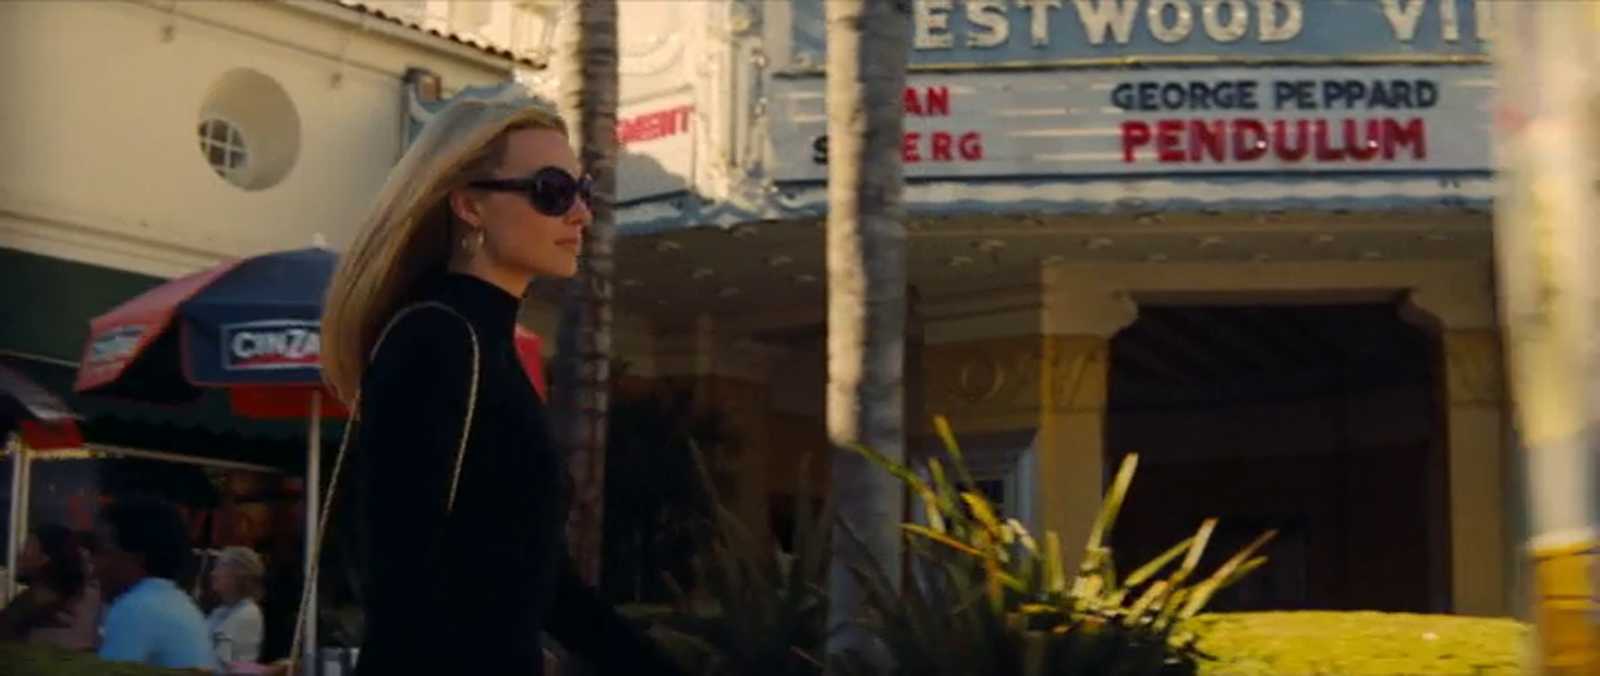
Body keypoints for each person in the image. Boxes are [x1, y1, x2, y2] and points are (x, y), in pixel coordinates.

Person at [320, 99, 687, 675]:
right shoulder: (436, 339)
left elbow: (546, 585)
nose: (580, 215)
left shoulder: (490, 351)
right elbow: (399, 575)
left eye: (583, 191)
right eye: (551, 190)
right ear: (469, 205)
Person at [91, 496, 217, 671]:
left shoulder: (134, 608)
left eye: (100, 550)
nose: (93, 562)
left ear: (136, 558)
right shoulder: (175, 601)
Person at [0, 523, 101, 650]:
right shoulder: (27, 601)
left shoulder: (56, 618)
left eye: (28, 548)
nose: (20, 555)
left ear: (45, 558)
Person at [207, 546, 266, 664]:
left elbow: (221, 662)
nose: (214, 573)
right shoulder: (219, 612)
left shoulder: (248, 613)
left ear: (238, 575)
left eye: (221, 567)